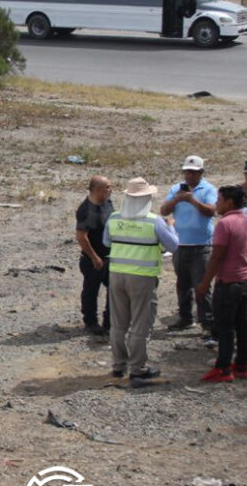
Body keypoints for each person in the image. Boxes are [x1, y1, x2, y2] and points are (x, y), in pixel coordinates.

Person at [103, 177, 179, 387]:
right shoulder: (154, 221)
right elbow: (174, 246)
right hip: (142, 277)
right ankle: (138, 369)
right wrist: (171, 227)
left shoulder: (114, 218)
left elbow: (106, 241)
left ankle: (119, 365)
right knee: (140, 323)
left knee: (118, 323)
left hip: (116, 274)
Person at [195, 186, 247, 383]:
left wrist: (205, 283)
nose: (216, 204)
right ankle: (242, 364)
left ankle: (223, 368)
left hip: (228, 283)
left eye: (219, 200)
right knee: (243, 326)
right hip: (246, 282)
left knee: (224, 327)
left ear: (229, 202)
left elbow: (217, 256)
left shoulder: (225, 224)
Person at [161, 155, 218, 333]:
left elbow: (211, 211)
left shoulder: (208, 189)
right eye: (187, 172)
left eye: (193, 173)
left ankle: (207, 322)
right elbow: (164, 210)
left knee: (202, 285)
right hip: (180, 244)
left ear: (201, 172)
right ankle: (185, 318)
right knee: (182, 284)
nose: (189, 176)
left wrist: (192, 200)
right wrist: (177, 199)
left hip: (201, 245)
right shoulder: (176, 189)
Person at [75, 176, 113, 336]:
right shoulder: (86, 210)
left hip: (109, 256)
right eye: (108, 187)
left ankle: (109, 321)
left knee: (114, 289)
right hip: (93, 260)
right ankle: (90, 322)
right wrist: (94, 257)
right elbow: (81, 236)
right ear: (98, 189)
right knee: (91, 290)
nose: (111, 190)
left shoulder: (107, 203)